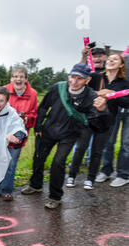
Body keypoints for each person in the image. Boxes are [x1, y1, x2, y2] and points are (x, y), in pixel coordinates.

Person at [21, 63, 107, 209]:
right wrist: (39, 126)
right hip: (48, 130)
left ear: (87, 80)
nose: (74, 81)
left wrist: (102, 110)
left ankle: (55, 196)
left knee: (58, 163)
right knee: (38, 157)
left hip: (70, 134)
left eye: (79, 78)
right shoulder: (58, 87)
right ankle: (35, 185)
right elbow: (43, 107)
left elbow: (100, 126)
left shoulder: (91, 96)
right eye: (72, 77)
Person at [68, 54, 129, 189]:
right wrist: (99, 92)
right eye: (110, 58)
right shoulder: (96, 77)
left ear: (121, 65)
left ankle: (113, 176)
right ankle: (76, 175)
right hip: (90, 118)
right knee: (84, 147)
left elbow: (126, 103)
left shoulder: (124, 83)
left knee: (102, 149)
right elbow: (80, 84)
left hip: (108, 120)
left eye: (115, 59)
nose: (111, 60)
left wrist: (112, 94)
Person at [0, 65, 38, 201]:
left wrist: (27, 118)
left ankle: (7, 190)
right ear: (11, 78)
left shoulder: (33, 94)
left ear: (26, 79)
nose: (18, 79)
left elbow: (34, 113)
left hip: (18, 135)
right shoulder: (4, 90)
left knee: (11, 163)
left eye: (21, 77)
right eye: (16, 76)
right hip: (2, 133)